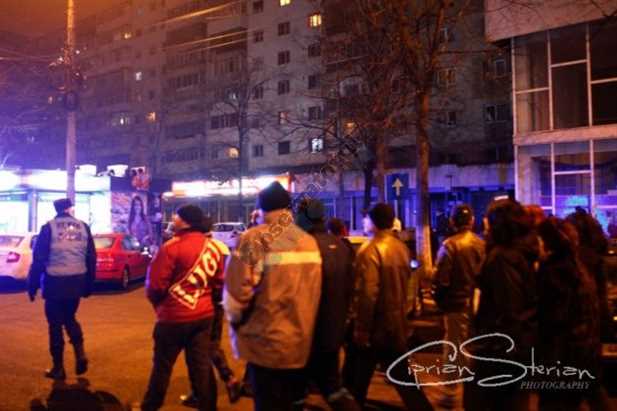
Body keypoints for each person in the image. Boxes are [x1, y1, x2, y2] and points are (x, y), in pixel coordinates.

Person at [223, 182, 322, 411]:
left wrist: (237, 323)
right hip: (300, 343)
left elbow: (235, 296)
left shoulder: (253, 238)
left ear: (261, 209)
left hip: (265, 343)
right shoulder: (307, 241)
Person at [343, 203, 433, 411]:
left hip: (375, 327)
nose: (364, 221)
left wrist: (361, 329)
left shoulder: (370, 250)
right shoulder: (401, 248)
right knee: (404, 379)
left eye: (366, 218)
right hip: (396, 324)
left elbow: (367, 293)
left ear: (373, 222)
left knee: (357, 380)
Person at [141, 205, 225, 411]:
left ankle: (151, 406)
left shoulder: (171, 247)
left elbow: (155, 286)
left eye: (176, 217)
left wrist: (160, 306)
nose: (173, 220)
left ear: (185, 221)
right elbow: (219, 284)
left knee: (162, 367)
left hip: (173, 318)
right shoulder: (213, 247)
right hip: (203, 316)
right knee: (201, 367)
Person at [467, 199, 538, 411]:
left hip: (500, 352)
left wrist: (495, 346)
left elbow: (509, 308)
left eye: (488, 221)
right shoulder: (522, 252)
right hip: (514, 349)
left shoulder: (502, 258)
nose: (484, 225)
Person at [295, 199, 360, 411]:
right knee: (333, 390)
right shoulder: (341, 246)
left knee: (295, 394)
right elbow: (351, 287)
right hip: (334, 330)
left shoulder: (304, 247)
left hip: (309, 333)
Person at [536, 217, 603, 411]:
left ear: (547, 242)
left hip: (562, 352)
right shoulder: (578, 265)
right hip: (583, 347)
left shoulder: (553, 271)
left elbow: (554, 316)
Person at [27, 198, 96, 380]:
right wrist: (89, 283)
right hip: (76, 281)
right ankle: (80, 354)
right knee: (70, 318)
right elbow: (91, 257)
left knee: (55, 324)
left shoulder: (48, 227)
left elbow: (39, 259)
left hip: (55, 282)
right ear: (69, 208)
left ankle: (58, 368)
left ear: (56, 209)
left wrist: (32, 286)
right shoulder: (83, 227)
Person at [179, 216, 244, 408]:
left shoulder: (201, 247)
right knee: (208, 347)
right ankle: (203, 390)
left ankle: (223, 381)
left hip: (204, 304)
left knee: (200, 349)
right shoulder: (221, 247)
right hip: (219, 302)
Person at [432, 204, 485, 406]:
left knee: (454, 348)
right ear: (472, 221)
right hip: (476, 304)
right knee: (471, 347)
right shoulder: (481, 244)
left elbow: (441, 279)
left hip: (456, 304)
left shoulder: (449, 245)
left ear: (452, 221)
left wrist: (440, 301)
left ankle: (451, 393)